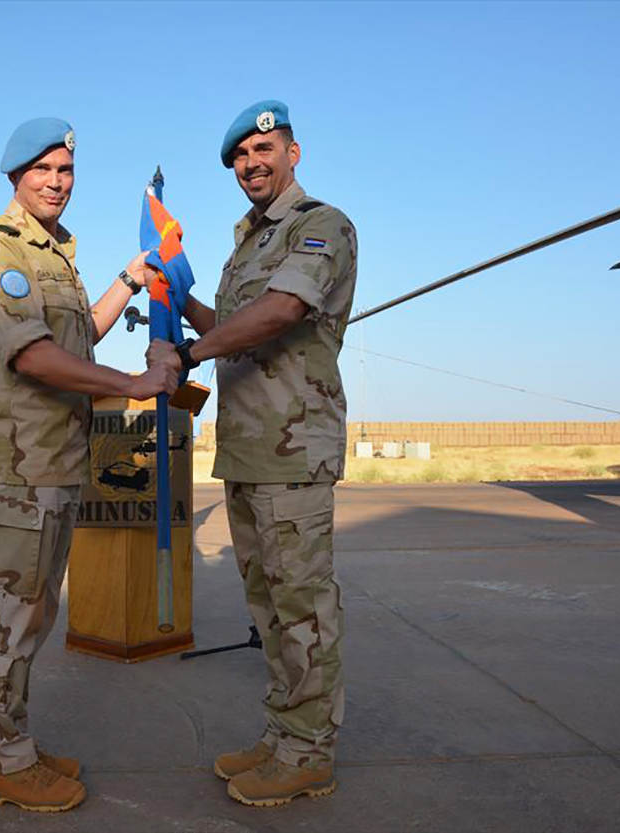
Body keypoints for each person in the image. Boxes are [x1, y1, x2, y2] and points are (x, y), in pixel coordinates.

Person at [0, 116, 177, 813]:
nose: (56, 182)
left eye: (66, 171)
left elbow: (79, 339)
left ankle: (12, 744)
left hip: (53, 463)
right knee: (9, 619)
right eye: (43, 170)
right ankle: (0, 762)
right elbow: (35, 357)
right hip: (18, 467)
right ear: (15, 176)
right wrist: (133, 384)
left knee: (32, 615)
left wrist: (128, 280)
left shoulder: (55, 256)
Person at [148, 100, 357, 807]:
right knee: (268, 604)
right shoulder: (247, 242)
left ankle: (310, 752)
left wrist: (187, 353)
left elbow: (281, 312)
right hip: (246, 449)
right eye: (239, 157)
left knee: (302, 605)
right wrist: (179, 298)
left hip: (293, 450)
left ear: (292, 152)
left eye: (263, 149)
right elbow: (234, 324)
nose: (250, 163)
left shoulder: (320, 226)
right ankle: (282, 735)